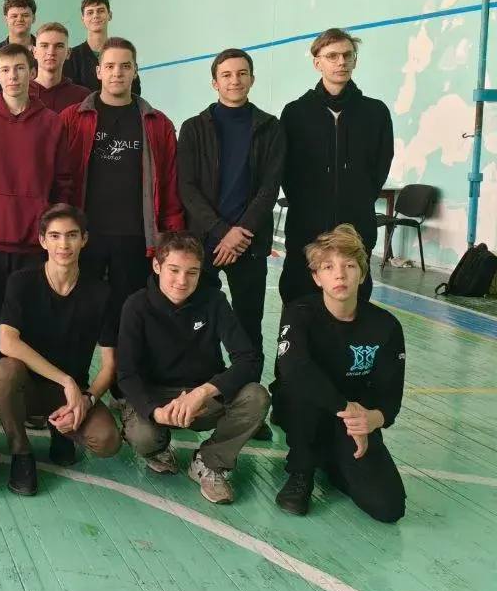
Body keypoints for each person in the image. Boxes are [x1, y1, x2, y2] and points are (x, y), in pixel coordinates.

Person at [116, 231, 269, 505]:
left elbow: (248, 359)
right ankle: (158, 450)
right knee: (143, 436)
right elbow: (126, 374)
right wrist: (155, 411)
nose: (182, 281)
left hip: (202, 397)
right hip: (157, 395)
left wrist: (202, 392)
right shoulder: (136, 306)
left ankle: (209, 462)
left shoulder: (214, 301)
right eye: (174, 270)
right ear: (157, 266)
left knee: (256, 396)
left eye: (192, 272)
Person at [272, 225, 406, 522]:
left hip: (353, 422)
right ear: (316, 277)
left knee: (388, 507)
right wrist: (347, 408)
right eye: (328, 267)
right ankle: (301, 471)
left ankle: (332, 460)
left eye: (349, 266)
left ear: (363, 274)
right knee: (302, 389)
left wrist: (372, 420)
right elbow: (294, 370)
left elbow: (391, 395)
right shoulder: (300, 313)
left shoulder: (386, 326)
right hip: (309, 410)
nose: (340, 275)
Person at [0, 43, 74, 360]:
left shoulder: (51, 123)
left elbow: (63, 185)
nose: (13, 76)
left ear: (32, 72)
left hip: (34, 244)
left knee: (31, 322)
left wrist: (54, 236)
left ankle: (27, 384)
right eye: (5, 70)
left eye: (19, 68)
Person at [0, 205, 122, 495]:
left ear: (84, 240)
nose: (63, 244)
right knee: (6, 371)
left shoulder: (100, 293)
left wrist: (87, 400)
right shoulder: (22, 282)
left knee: (107, 440)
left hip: (70, 396)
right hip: (27, 388)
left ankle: (61, 430)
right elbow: (7, 342)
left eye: (72, 235)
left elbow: (109, 365)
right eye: (55, 236)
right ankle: (21, 453)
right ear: (42, 241)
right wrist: (66, 380)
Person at [62, 37, 181, 328]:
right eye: (110, 66)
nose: (117, 73)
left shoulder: (158, 123)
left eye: (125, 66)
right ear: (98, 71)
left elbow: (169, 183)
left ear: (135, 71)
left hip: (135, 239)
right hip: (84, 237)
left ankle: (123, 361)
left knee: (129, 319)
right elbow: (58, 177)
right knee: (79, 318)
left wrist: (171, 235)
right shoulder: (72, 119)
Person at [177, 48, 285, 357]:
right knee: (197, 323)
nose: (234, 80)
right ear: (215, 83)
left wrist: (240, 233)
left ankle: (247, 383)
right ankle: (203, 380)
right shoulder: (194, 128)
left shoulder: (271, 128)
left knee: (249, 324)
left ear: (252, 79)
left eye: (241, 74)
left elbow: (270, 187)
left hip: (249, 243)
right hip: (203, 242)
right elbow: (187, 187)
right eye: (226, 75)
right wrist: (222, 231)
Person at [279, 28, 393, 304]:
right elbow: (286, 169)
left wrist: (357, 198)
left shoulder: (375, 112)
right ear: (317, 63)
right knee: (299, 297)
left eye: (347, 55)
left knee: (354, 302)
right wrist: (307, 204)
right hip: (306, 226)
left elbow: (380, 165)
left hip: (357, 224)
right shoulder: (295, 113)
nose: (341, 62)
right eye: (332, 56)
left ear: (355, 60)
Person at [66, 0, 141, 95]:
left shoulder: (123, 54)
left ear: (110, 15)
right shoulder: (72, 57)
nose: (95, 16)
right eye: (90, 12)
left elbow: (135, 91)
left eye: (100, 11)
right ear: (82, 19)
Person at [28, 21, 90, 112]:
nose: (51, 52)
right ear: (34, 52)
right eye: (44, 46)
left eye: (59, 46)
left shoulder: (82, 96)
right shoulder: (20, 93)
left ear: (68, 53)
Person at [0, 0, 36, 74]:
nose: (20, 19)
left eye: (25, 15)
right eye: (14, 16)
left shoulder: (47, 50)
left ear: (34, 18)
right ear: (6, 20)